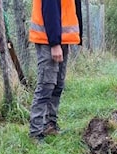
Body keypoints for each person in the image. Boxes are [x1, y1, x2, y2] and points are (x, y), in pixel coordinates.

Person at [28, 0, 83, 142]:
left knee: (58, 84)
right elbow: (50, 10)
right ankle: (36, 132)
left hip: (61, 40)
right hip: (49, 40)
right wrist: (54, 43)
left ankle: (50, 125)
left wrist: (75, 38)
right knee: (46, 86)